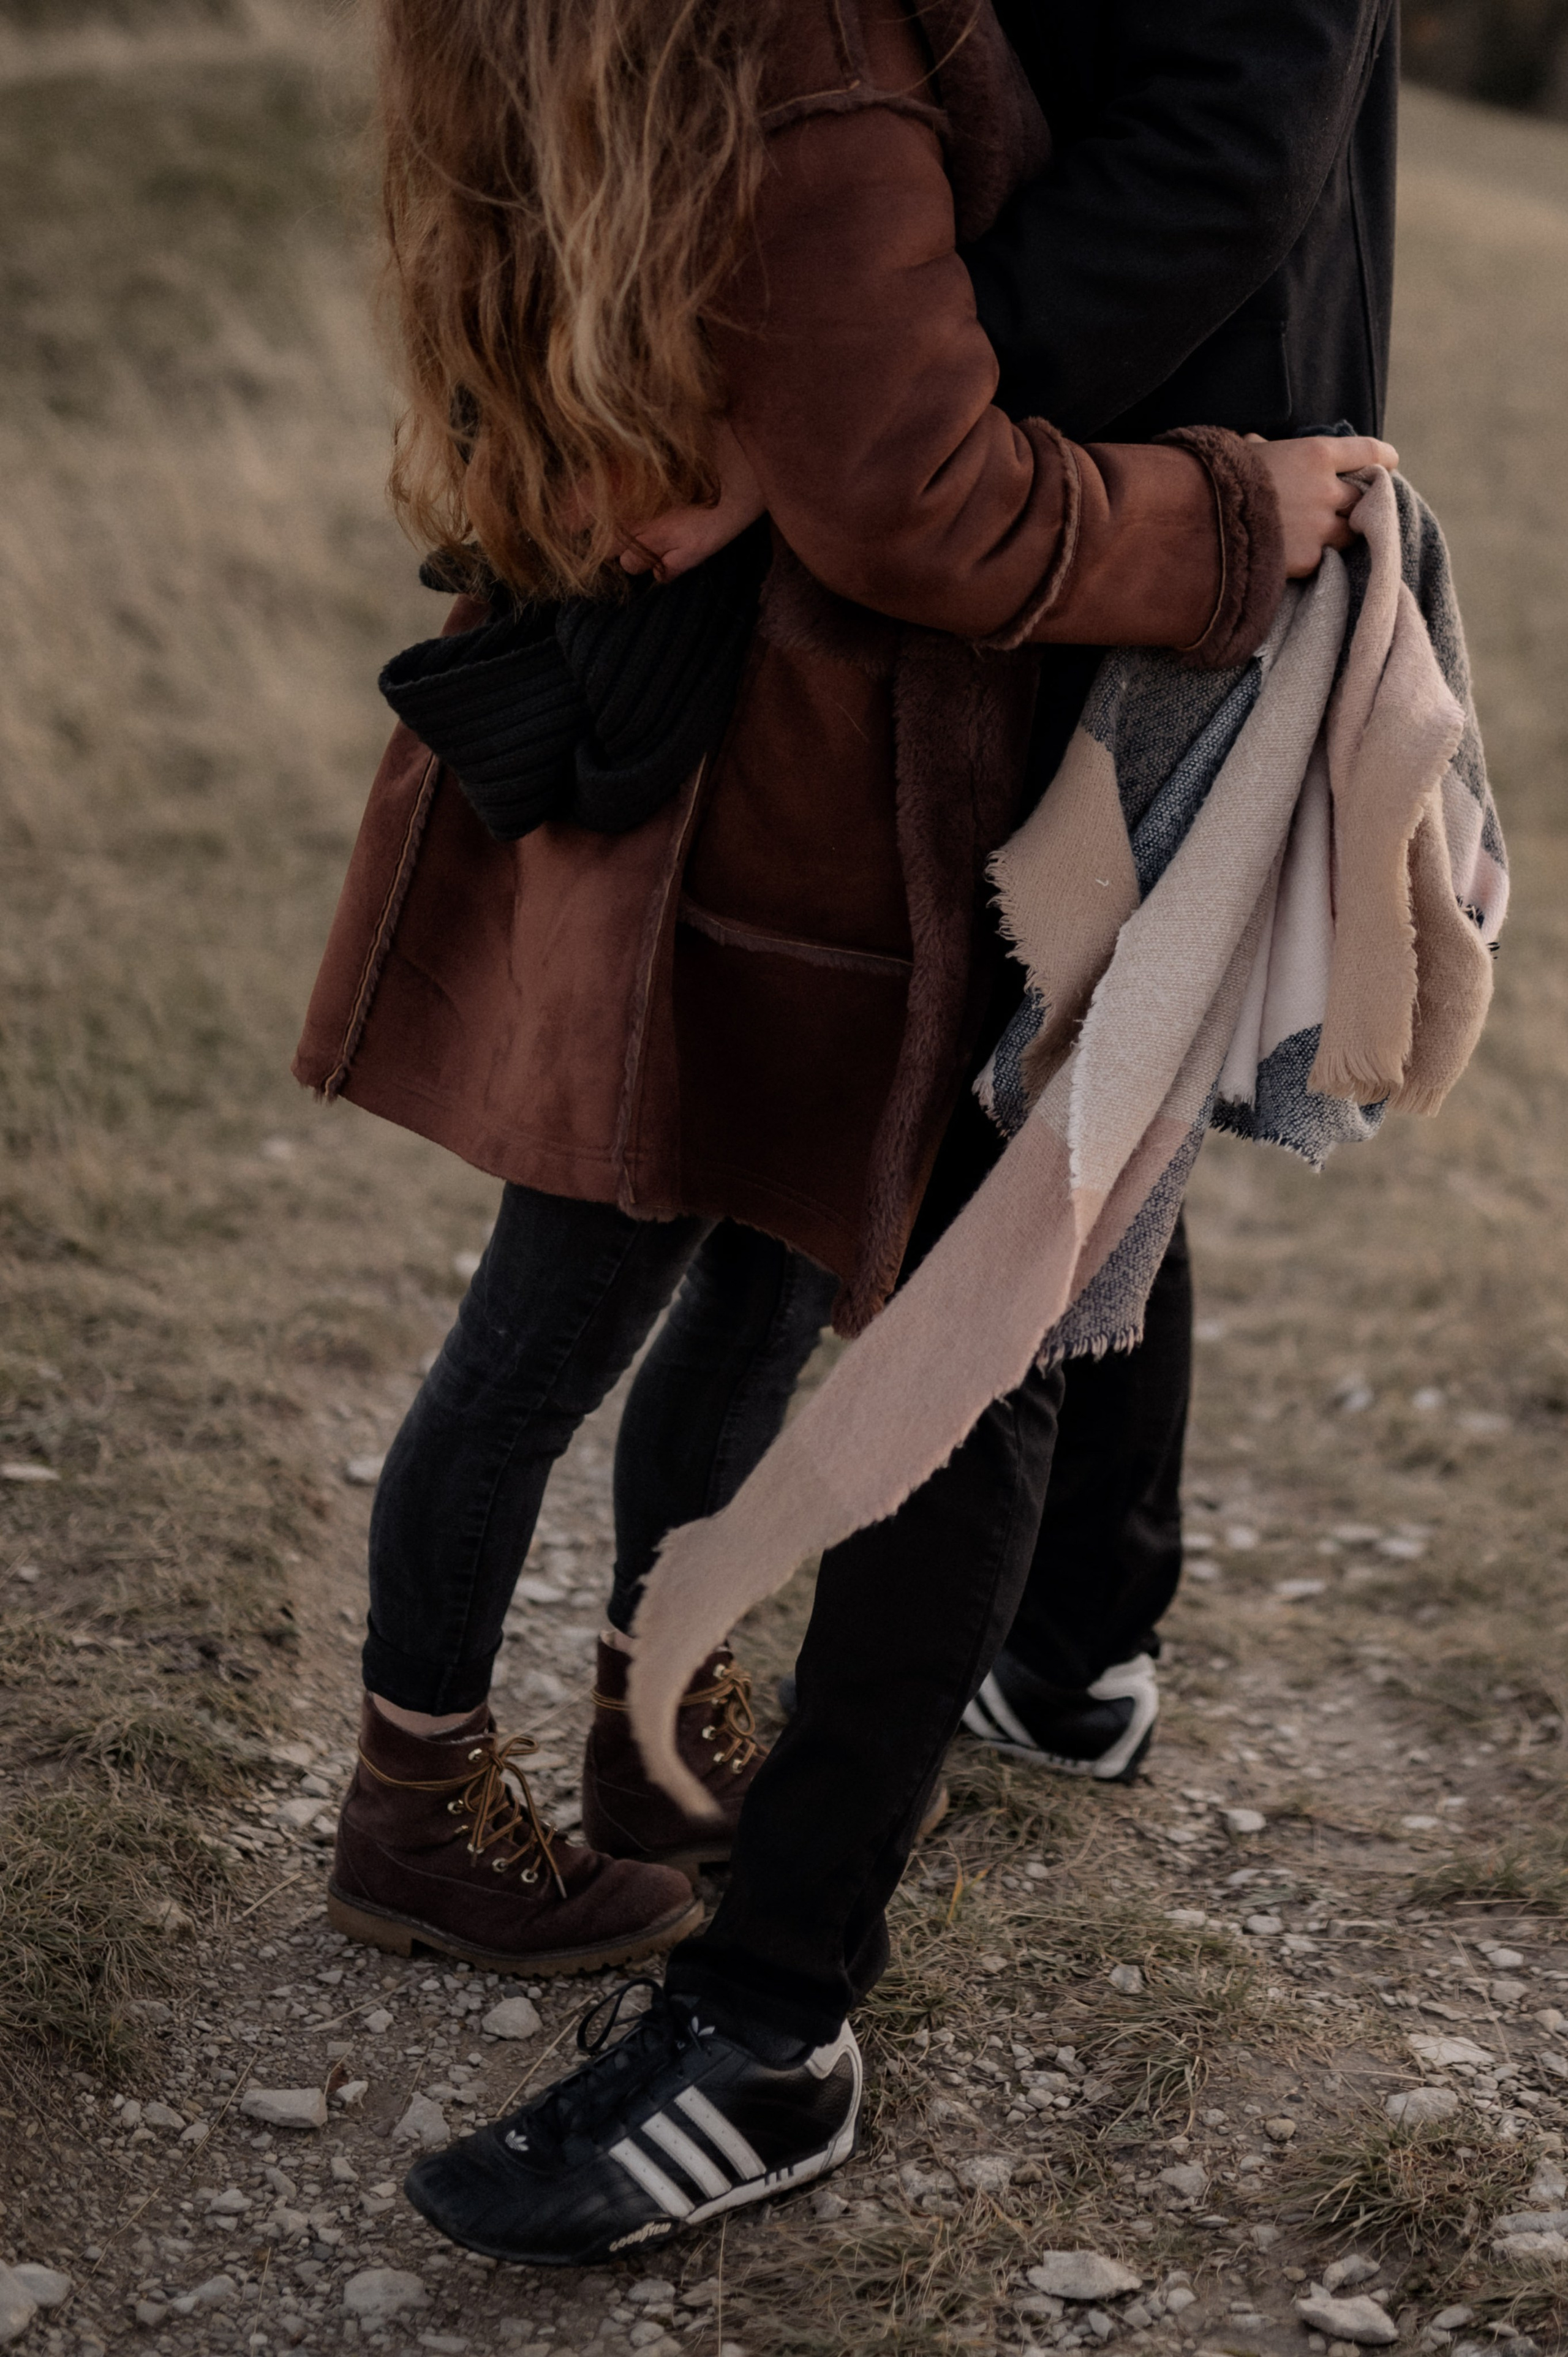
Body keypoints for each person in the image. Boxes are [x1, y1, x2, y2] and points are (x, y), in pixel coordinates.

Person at [294, 0, 1393, 2262]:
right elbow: (914, 480)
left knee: (804, 1260)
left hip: (817, 747)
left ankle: (706, 1722)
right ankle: (540, 1848)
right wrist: (1159, 502)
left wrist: (782, 433)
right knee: (688, 1291)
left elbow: (1198, 152)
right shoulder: (781, 36)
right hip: (793, 755)